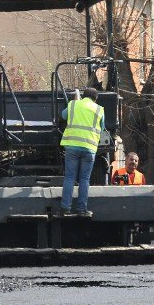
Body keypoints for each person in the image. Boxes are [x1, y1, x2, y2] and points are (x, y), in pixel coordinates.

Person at [59, 88, 105, 217]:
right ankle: (81, 209)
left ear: (84, 95)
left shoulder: (74, 104)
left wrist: (75, 101)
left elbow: (63, 116)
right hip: (89, 149)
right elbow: (102, 128)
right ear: (95, 99)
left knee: (69, 177)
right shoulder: (99, 109)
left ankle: (65, 208)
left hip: (72, 147)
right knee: (84, 179)